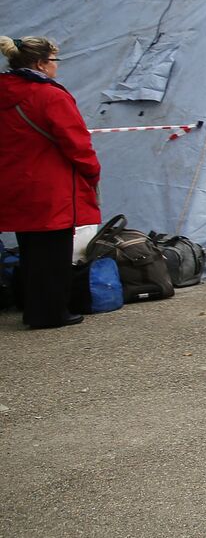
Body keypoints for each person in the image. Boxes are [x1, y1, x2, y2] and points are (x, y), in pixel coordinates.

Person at [0, 35, 101, 330]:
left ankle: (31, 306)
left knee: (29, 248)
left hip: (13, 180)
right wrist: (92, 172)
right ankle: (50, 313)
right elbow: (77, 143)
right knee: (54, 253)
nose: (57, 67)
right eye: (54, 60)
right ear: (42, 64)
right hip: (50, 185)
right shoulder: (51, 96)